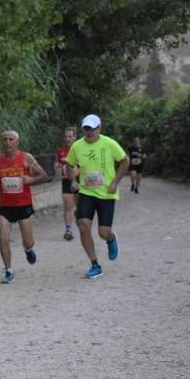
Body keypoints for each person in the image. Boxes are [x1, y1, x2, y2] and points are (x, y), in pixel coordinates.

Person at [66, 114, 129, 279]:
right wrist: (72, 179)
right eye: (86, 129)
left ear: (99, 128)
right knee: (83, 226)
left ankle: (111, 238)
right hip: (86, 192)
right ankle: (95, 264)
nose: (89, 132)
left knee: (103, 232)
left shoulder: (109, 143)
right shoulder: (77, 146)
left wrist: (115, 182)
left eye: (92, 129)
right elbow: (69, 164)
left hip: (106, 194)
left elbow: (125, 161)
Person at [0, 129, 48, 283]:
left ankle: (28, 249)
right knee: (3, 239)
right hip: (5, 206)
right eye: (5, 139)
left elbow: (43, 175)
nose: (7, 142)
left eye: (11, 139)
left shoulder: (26, 158)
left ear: (17, 142)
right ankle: (8, 270)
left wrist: (30, 180)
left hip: (23, 205)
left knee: (28, 241)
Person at [55, 127, 79, 240]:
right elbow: (57, 164)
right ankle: (68, 230)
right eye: (66, 137)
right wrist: (58, 165)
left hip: (80, 181)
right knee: (68, 206)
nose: (67, 139)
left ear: (75, 137)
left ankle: (80, 218)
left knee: (80, 206)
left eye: (70, 136)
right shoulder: (61, 151)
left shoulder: (81, 149)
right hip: (66, 180)